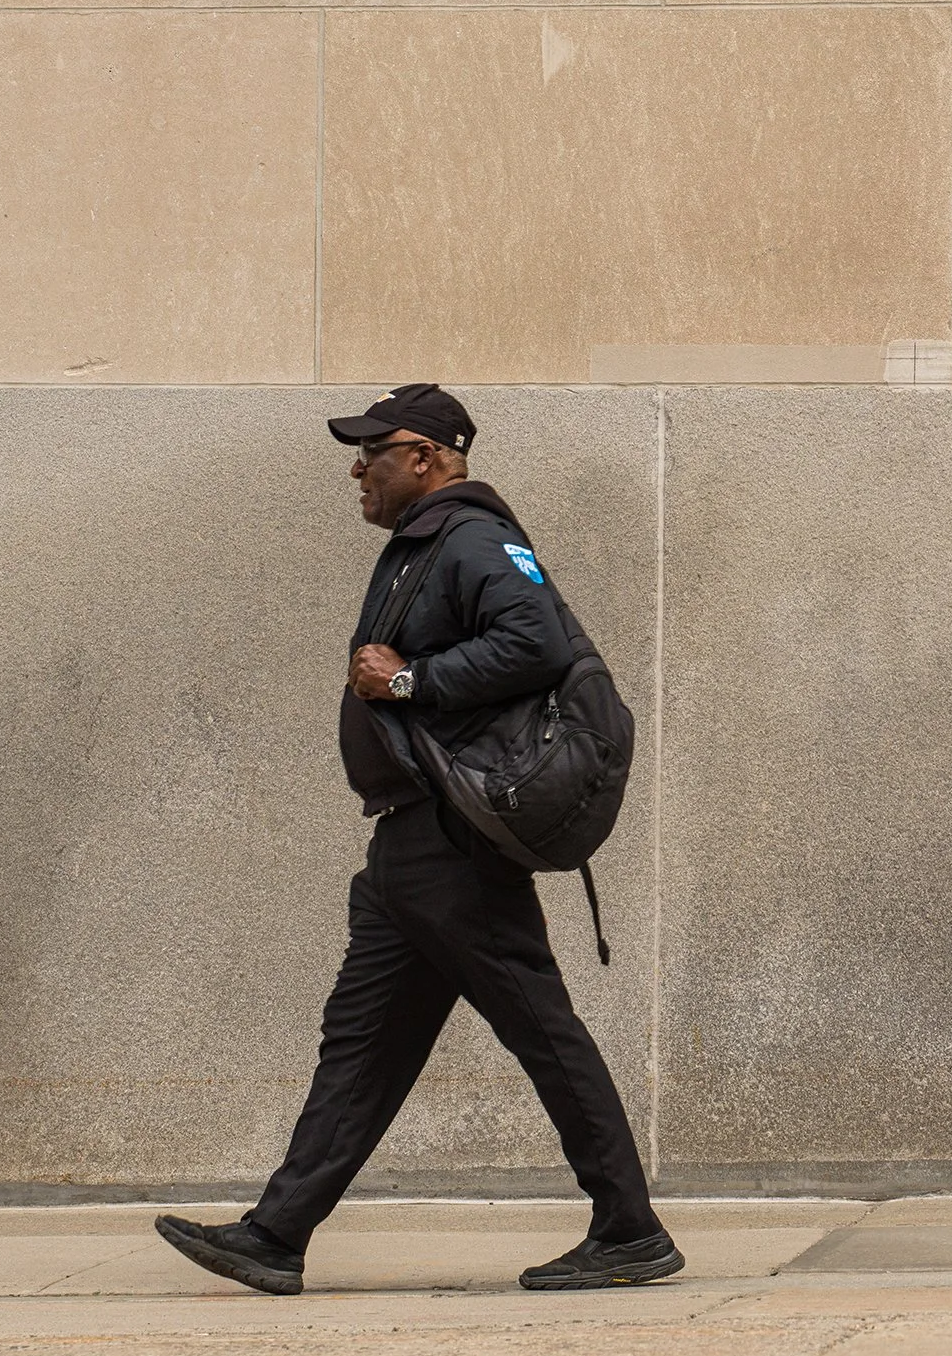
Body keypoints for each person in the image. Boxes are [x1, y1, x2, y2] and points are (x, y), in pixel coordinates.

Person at [155, 386, 681, 1297]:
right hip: (409, 845)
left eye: (374, 451)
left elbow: (538, 642)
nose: (358, 468)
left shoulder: (472, 536)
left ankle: (629, 1228)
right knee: (364, 1042)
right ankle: (276, 1233)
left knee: (540, 1029)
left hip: (451, 843)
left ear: (431, 455)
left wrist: (408, 683)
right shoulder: (428, 542)